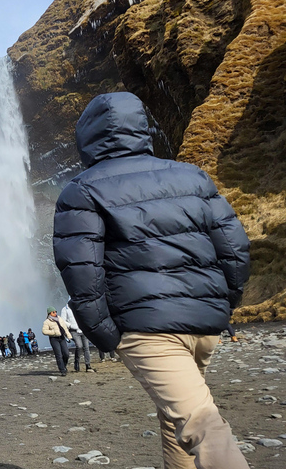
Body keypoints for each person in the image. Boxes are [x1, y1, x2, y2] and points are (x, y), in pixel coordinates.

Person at [52, 92, 250, 469]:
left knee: (201, 426)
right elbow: (235, 250)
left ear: (86, 138)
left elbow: (82, 272)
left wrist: (106, 334)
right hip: (205, 322)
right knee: (176, 416)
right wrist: (224, 303)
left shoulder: (82, 190)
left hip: (146, 330)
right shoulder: (190, 175)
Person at [61, 300, 93, 372]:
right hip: (73, 330)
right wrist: (70, 325)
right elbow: (63, 320)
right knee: (79, 346)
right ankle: (77, 362)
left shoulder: (79, 306)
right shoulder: (65, 309)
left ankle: (88, 365)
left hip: (83, 329)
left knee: (86, 347)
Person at [42, 307, 72, 376]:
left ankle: (64, 366)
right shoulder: (47, 322)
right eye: (53, 312)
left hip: (62, 338)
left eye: (56, 311)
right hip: (54, 339)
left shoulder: (60, 318)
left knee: (66, 354)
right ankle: (62, 370)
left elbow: (64, 328)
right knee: (59, 355)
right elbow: (44, 331)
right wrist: (54, 332)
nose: (55, 313)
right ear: (50, 313)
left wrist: (69, 336)